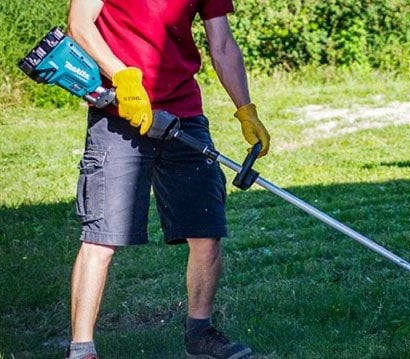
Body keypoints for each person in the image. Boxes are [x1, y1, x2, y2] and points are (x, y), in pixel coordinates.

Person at [65, 0, 270, 358]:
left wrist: (245, 108)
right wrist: (122, 75)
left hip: (184, 115)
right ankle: (81, 350)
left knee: (206, 231)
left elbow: (222, 44)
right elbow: (79, 25)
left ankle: (200, 334)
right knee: (101, 237)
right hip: (119, 112)